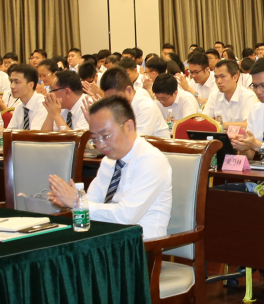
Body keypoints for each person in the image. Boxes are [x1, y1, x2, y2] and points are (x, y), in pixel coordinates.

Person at [46, 97, 172, 238]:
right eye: (95, 138)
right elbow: (92, 201)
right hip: (107, 238)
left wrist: (78, 203)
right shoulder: (109, 160)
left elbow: (126, 216)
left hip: (141, 245)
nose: (100, 145)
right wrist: (71, 200)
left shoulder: (150, 160)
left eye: (106, 136)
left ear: (129, 126)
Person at [98, 67, 169, 138]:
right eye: (109, 99)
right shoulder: (119, 108)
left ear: (129, 90)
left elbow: (135, 141)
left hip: (157, 145)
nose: (113, 103)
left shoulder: (146, 107)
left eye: (116, 98)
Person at [201, 59, 259, 127]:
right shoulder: (214, 95)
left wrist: (218, 124)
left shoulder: (248, 96)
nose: (218, 81)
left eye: (223, 76)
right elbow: (203, 120)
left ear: (235, 77)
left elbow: (248, 125)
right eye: (216, 77)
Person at [2, 63, 45, 130]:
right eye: (11, 81)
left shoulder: (43, 105)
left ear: (30, 85)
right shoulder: (19, 107)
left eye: (16, 82)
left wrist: (0, 130)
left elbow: (33, 134)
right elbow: (10, 132)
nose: (12, 86)